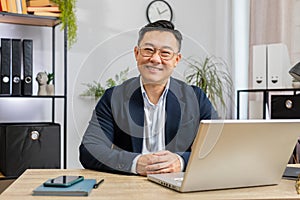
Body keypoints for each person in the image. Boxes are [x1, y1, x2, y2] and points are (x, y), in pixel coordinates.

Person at [79, 20, 217, 176]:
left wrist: (182, 161)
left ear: (176, 60)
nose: (155, 59)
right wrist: (135, 163)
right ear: (137, 54)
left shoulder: (196, 97)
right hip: (129, 185)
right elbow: (90, 150)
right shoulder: (113, 97)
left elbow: (219, 146)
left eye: (165, 53)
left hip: (180, 186)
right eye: (148, 50)